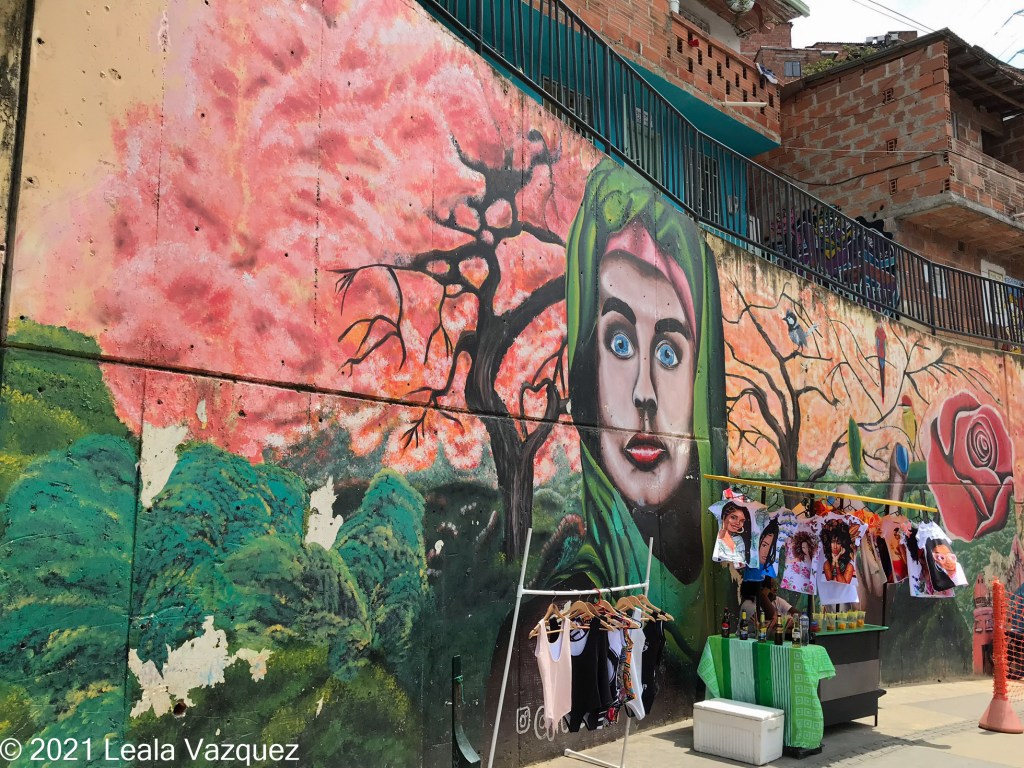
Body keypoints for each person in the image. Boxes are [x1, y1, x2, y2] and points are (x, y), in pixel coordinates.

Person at [552, 158, 728, 661]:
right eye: (620, 343)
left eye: (669, 353)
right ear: (585, 370)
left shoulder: (727, 585)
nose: (644, 394)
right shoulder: (564, 613)